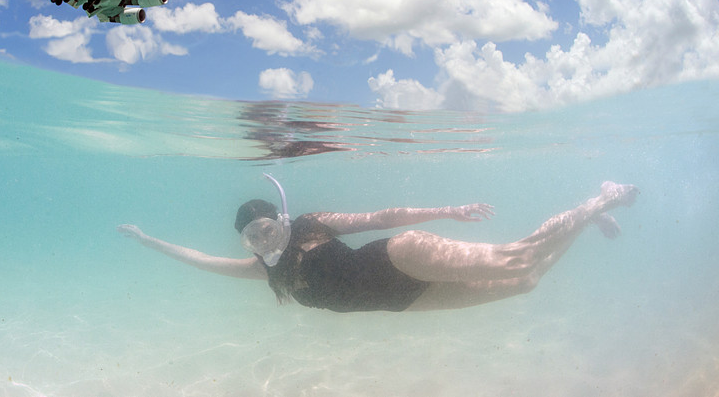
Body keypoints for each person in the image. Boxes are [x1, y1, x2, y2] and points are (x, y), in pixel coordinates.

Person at [117, 175, 638, 312]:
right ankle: (587, 217)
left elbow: (380, 217)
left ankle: (600, 201)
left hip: (400, 256)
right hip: (404, 300)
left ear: (281, 218)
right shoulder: (264, 271)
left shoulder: (312, 224)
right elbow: (204, 261)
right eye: (253, 236)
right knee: (525, 281)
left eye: (268, 226)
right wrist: (148, 242)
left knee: (517, 257)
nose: (264, 238)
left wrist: (446, 211)